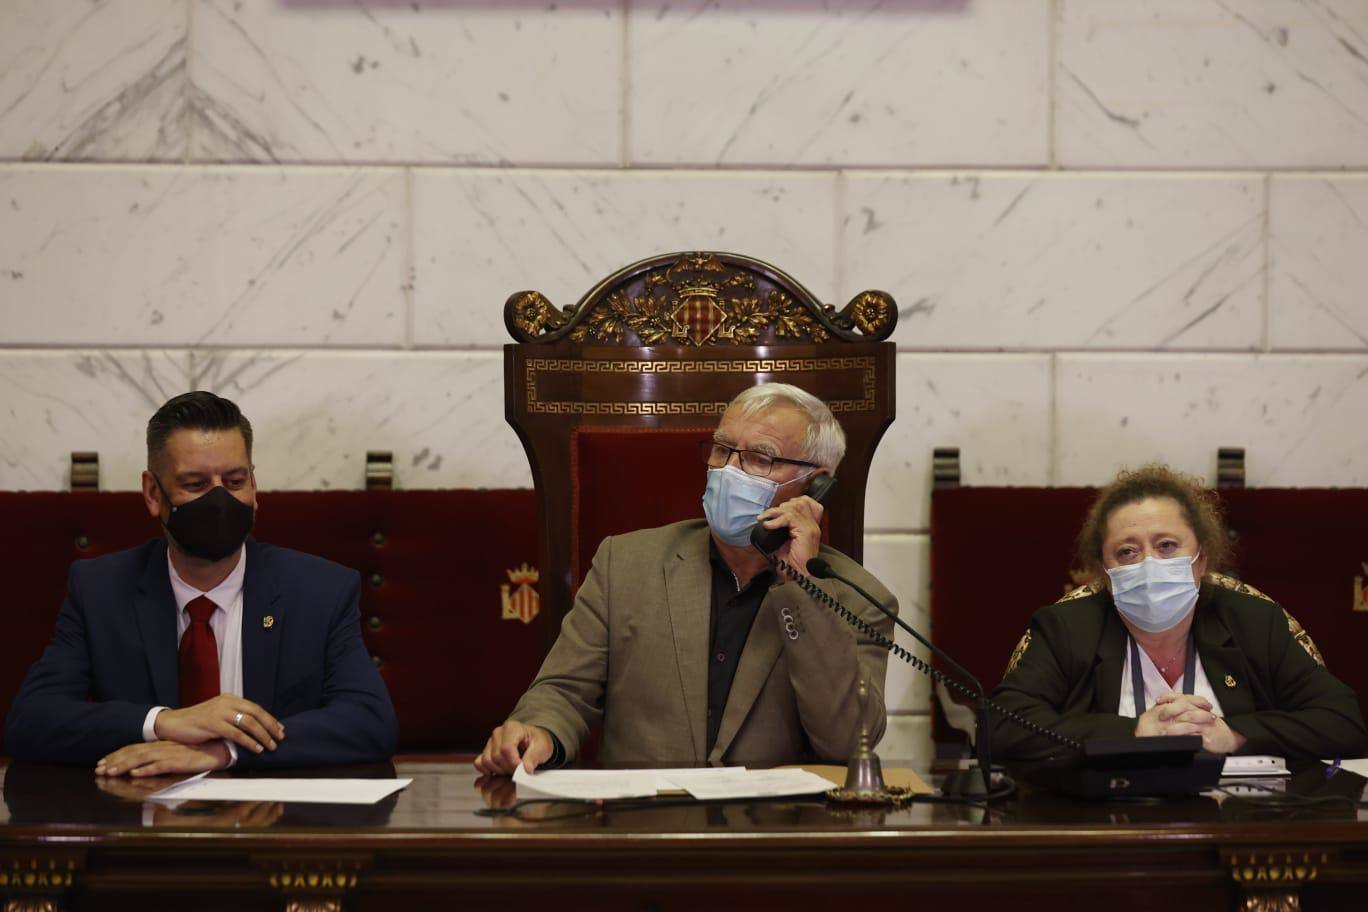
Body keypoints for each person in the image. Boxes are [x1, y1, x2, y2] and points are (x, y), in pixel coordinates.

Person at [475, 383, 897, 774]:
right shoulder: (626, 564)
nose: (728, 471)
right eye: (722, 450)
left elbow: (847, 743)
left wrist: (799, 583)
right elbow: (564, 692)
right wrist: (536, 730)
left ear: (817, 485)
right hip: (641, 833)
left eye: (759, 457)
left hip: (774, 837)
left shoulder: (859, 600)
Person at [4, 391, 399, 775]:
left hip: (273, 829)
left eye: (234, 481)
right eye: (195, 484)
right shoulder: (101, 590)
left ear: (254, 487)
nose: (219, 501)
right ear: (153, 493)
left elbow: (369, 722)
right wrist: (165, 723)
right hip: (141, 826)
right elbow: (32, 721)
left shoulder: (319, 590)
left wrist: (226, 750)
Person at [991, 464, 1367, 760]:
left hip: (1237, 829)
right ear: (1105, 572)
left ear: (1201, 559)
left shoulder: (1253, 621)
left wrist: (1230, 734)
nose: (1149, 563)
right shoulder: (1067, 628)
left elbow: (1343, 723)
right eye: (1127, 552)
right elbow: (1001, 729)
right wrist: (1135, 734)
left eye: (1167, 545)